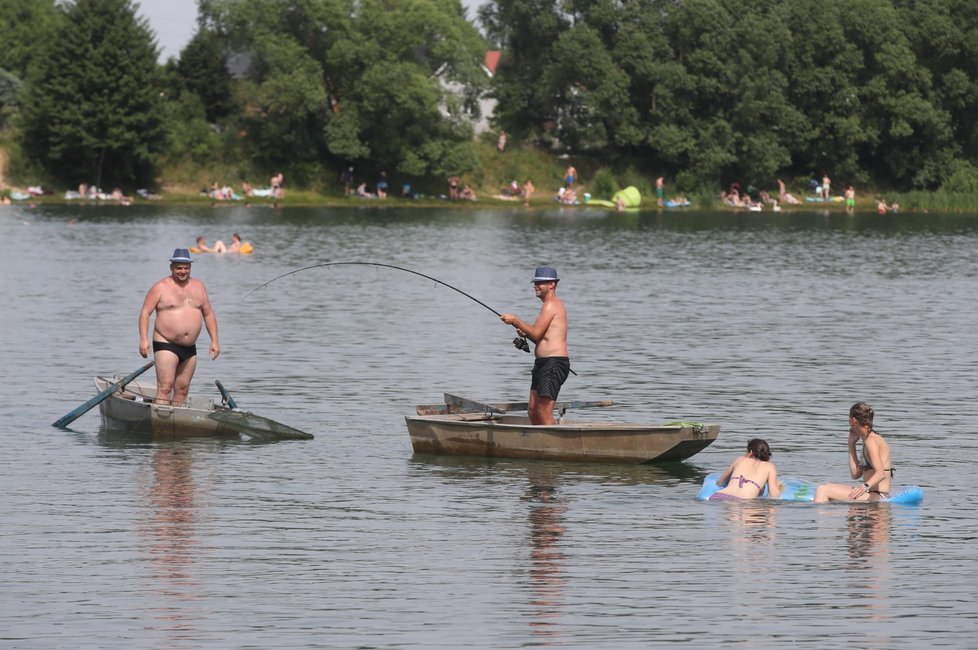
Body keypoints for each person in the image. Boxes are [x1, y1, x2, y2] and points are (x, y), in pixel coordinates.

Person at [139, 249, 220, 406]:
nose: (183, 271)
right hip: (166, 343)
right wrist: (143, 340)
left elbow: (208, 314)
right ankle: (160, 423)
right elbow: (144, 313)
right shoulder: (160, 287)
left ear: (190, 267)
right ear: (172, 267)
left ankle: (174, 422)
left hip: (189, 347)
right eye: (179, 268)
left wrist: (215, 341)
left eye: (186, 267)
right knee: (165, 387)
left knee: (182, 389)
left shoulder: (199, 287)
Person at [500, 267, 570, 425]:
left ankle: (554, 446)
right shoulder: (548, 305)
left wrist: (516, 321)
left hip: (554, 363)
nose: (535, 285)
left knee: (543, 412)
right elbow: (540, 337)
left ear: (551, 284)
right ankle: (540, 444)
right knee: (532, 410)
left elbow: (536, 333)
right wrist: (525, 332)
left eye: (540, 282)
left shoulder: (551, 305)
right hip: (542, 364)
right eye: (535, 282)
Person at [814, 402, 894, 503]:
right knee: (827, 486)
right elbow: (855, 474)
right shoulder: (868, 439)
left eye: (849, 418)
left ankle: (816, 516)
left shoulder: (871, 441)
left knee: (823, 489)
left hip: (878, 496)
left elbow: (880, 473)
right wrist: (851, 444)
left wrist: (863, 487)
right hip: (872, 493)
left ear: (853, 420)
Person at [709, 439, 782, 501]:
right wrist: (778, 486)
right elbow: (774, 495)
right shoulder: (770, 466)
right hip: (743, 502)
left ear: (750, 452)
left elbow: (720, 482)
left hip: (719, 496)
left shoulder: (740, 459)